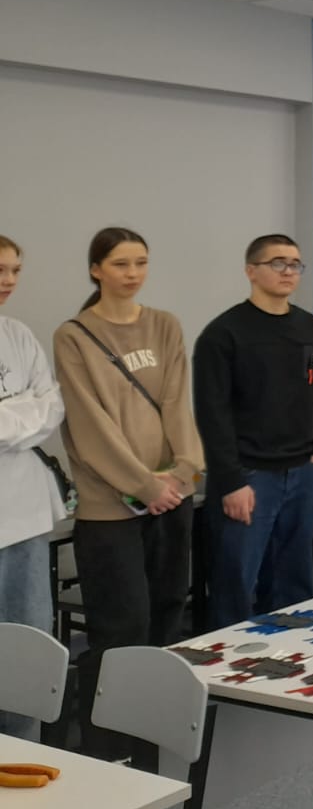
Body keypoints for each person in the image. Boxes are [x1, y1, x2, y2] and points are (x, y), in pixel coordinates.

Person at [54, 227, 204, 758]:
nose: (133, 273)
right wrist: (143, 485)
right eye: (120, 264)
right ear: (96, 269)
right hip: (109, 509)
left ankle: (155, 728)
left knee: (167, 611)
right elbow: (90, 425)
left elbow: (178, 403)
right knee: (121, 627)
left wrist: (183, 473)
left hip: (171, 497)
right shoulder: (74, 336)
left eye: (141, 262)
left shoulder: (164, 325)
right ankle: (109, 744)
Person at [193, 234, 313, 629]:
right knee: (236, 585)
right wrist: (231, 481)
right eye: (277, 263)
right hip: (249, 477)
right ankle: (229, 664)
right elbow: (212, 415)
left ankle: (293, 656)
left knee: (295, 581)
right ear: (251, 271)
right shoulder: (224, 334)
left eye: (294, 264)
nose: (288, 271)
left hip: (304, 472)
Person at [0, 235, 66, 741]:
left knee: (29, 644)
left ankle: (26, 751)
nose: (8, 281)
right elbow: (34, 412)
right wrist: (22, 407)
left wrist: (13, 416)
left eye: (15, 270)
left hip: (25, 518)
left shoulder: (18, 334)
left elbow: (52, 408)